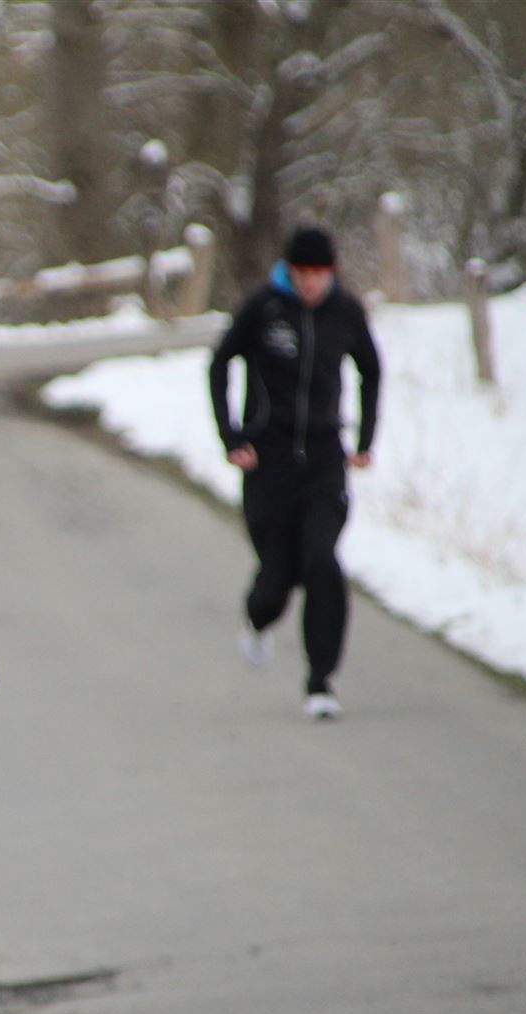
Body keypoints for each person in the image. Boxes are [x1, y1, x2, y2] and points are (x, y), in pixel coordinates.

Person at [210, 225, 381, 720]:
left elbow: (371, 371)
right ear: (289, 271)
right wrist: (232, 438)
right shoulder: (263, 308)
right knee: (277, 577)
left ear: (332, 273)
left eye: (318, 274)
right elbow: (219, 364)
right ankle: (257, 618)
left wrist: (365, 442)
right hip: (269, 463)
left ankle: (320, 681)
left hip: (324, 462)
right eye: (301, 273)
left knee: (322, 562)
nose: (309, 283)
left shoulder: (346, 312)